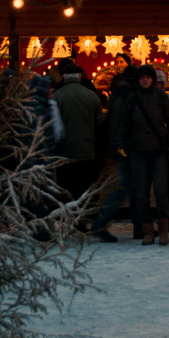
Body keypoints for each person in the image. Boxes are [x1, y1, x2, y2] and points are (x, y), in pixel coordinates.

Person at [116, 64, 169, 246]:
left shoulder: (161, 97)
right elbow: (124, 122)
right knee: (142, 194)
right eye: (142, 77)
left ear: (153, 79)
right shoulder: (132, 99)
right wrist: (120, 141)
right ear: (138, 80)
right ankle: (147, 231)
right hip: (138, 152)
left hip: (159, 152)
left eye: (148, 76)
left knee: (161, 192)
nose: (145, 79)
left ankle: (163, 229)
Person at [90, 64, 142, 242]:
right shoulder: (128, 96)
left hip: (121, 147)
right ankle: (101, 223)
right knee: (125, 188)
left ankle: (137, 226)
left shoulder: (119, 94)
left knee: (127, 187)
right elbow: (124, 124)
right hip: (126, 148)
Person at [55, 64, 103, 202]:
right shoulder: (92, 96)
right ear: (80, 76)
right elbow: (99, 124)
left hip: (65, 152)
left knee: (67, 189)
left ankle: (69, 219)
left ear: (63, 76)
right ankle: (84, 218)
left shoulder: (57, 97)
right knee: (85, 189)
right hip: (87, 151)